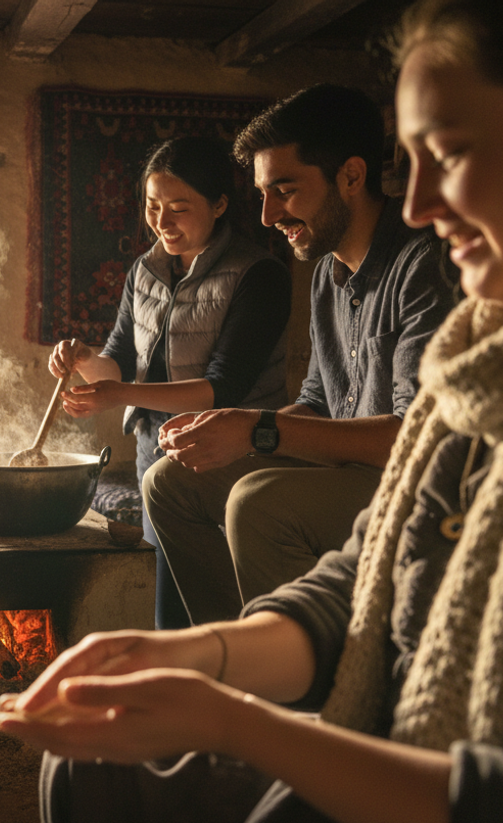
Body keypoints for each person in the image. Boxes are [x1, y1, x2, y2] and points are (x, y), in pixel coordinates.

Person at [0, 1, 503, 823]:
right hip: (341, 487)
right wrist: (199, 662)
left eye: (449, 153)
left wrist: (238, 725)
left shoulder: (394, 284)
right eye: (408, 161)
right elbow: (376, 560)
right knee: (92, 763)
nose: (416, 201)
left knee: (258, 500)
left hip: (354, 511)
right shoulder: (481, 358)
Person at [142, 83, 458, 625]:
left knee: (257, 502)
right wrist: (229, 427)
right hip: (348, 469)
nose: (267, 216)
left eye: (284, 190)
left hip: (411, 483)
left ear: (352, 177)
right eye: (264, 193)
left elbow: (417, 436)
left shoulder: (423, 264)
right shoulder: (326, 273)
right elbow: (317, 398)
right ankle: (235, 649)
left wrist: (260, 430)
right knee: (170, 481)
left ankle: (300, 685)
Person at [47, 135, 292, 629]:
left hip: (227, 451)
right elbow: (119, 360)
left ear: (220, 204)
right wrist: (85, 361)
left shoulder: (258, 274)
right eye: (153, 206)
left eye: (179, 208)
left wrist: (117, 394)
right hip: (152, 446)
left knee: (223, 593)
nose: (161, 222)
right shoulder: (145, 270)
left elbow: (223, 388)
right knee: (168, 592)